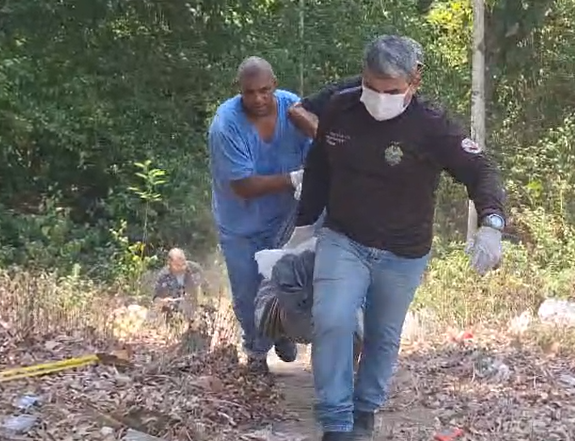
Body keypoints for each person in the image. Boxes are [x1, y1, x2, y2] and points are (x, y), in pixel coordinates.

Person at [283, 35, 507, 440]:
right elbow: (318, 167)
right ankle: (336, 421)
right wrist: (303, 227)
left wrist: (491, 224)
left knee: (382, 335)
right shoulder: (340, 109)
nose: (380, 99)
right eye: (372, 87)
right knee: (331, 319)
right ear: (362, 76)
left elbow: (481, 170)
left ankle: (365, 410)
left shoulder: (432, 126)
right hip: (344, 237)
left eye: (392, 91)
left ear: (413, 82)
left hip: (404, 252)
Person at [208, 56, 312, 374]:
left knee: (290, 280)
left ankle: (283, 330)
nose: (258, 99)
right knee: (247, 291)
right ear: (239, 90)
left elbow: (318, 146)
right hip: (241, 223)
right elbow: (243, 185)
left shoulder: (293, 108)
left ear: (275, 85)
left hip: (287, 217)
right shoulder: (226, 125)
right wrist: (294, 178)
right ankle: (256, 352)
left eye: (265, 90)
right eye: (250, 92)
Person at [287, 37, 424, 139]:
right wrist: (330, 141)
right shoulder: (350, 90)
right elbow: (298, 110)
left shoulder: (423, 111)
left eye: (416, 68)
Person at [152, 248, 208, 320]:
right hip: (172, 314)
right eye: (178, 265)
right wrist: (163, 301)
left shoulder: (195, 269)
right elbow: (155, 299)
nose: (182, 267)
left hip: (194, 311)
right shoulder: (163, 276)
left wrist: (203, 299)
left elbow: (207, 290)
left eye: (184, 264)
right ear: (169, 263)